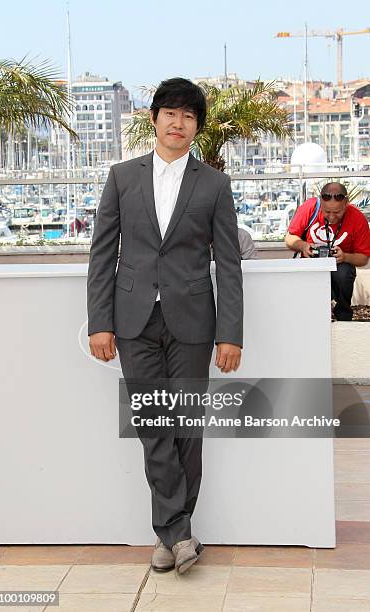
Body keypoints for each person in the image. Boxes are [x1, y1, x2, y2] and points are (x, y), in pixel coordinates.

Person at [86, 78, 243, 574]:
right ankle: (178, 534)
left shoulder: (214, 183)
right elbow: (102, 255)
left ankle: (172, 535)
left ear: (197, 126)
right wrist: (99, 322)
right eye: (170, 114)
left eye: (189, 116)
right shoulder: (122, 177)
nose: (179, 124)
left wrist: (231, 332)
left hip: (194, 321)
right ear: (153, 118)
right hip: (133, 321)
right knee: (154, 426)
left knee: (186, 428)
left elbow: (229, 263)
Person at [285, 182, 370, 320]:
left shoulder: (357, 218)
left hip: (340, 267)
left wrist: (345, 257)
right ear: (320, 203)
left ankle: (343, 317)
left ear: (346, 203)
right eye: (327, 212)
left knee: (345, 272)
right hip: (310, 264)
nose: (331, 217)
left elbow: (364, 258)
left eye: (337, 212)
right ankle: (308, 315)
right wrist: (303, 246)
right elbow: (289, 238)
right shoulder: (310, 207)